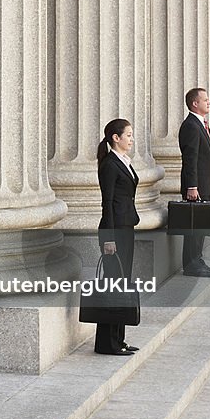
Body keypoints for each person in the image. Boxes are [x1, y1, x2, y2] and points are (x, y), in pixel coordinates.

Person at [96, 118, 140, 356]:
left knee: (122, 285)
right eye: (129, 135)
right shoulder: (110, 165)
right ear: (116, 137)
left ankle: (119, 340)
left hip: (126, 228)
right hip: (114, 233)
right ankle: (107, 343)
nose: (131, 139)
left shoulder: (123, 161)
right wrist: (109, 238)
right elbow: (108, 204)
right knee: (113, 286)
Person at [178, 87, 210, 277]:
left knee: (201, 226)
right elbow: (190, 158)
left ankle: (198, 259)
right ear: (195, 103)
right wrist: (191, 186)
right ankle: (191, 264)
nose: (209, 102)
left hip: (205, 184)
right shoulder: (191, 126)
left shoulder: (200, 124)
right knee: (194, 227)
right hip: (197, 187)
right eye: (205, 100)